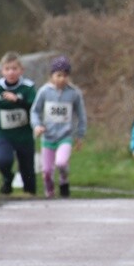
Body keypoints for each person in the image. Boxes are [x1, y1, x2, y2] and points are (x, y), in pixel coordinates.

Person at [0, 51, 38, 196]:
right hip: (3, 134)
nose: (11, 72)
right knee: (3, 160)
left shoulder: (28, 87)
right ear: (2, 70)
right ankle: (7, 178)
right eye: (7, 69)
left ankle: (32, 198)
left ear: (21, 70)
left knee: (28, 172)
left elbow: (34, 106)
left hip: (25, 135)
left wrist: (17, 100)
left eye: (14, 69)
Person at [31, 56, 87, 198]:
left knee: (61, 163)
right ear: (51, 76)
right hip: (48, 137)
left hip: (65, 136)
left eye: (65, 75)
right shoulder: (44, 92)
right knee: (47, 171)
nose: (62, 79)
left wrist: (80, 135)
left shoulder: (74, 93)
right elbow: (35, 111)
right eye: (58, 75)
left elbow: (81, 115)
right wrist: (37, 126)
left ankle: (64, 180)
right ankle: (49, 191)